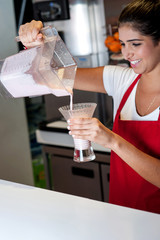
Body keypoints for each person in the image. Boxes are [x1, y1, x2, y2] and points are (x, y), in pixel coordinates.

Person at [19, 0, 160, 214]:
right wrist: (40, 41)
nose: (127, 54)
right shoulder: (122, 79)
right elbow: (57, 77)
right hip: (123, 215)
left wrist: (112, 140)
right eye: (122, 44)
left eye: (135, 44)